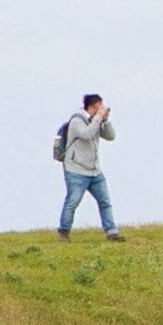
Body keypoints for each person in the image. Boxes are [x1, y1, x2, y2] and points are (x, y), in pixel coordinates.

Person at [56, 95, 120, 239]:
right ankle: (64, 231)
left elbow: (111, 136)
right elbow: (86, 134)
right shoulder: (77, 120)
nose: (101, 111)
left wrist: (106, 121)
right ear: (90, 108)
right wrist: (98, 119)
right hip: (76, 170)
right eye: (99, 108)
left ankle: (112, 232)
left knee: (105, 201)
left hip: (94, 171)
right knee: (73, 201)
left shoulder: (95, 122)